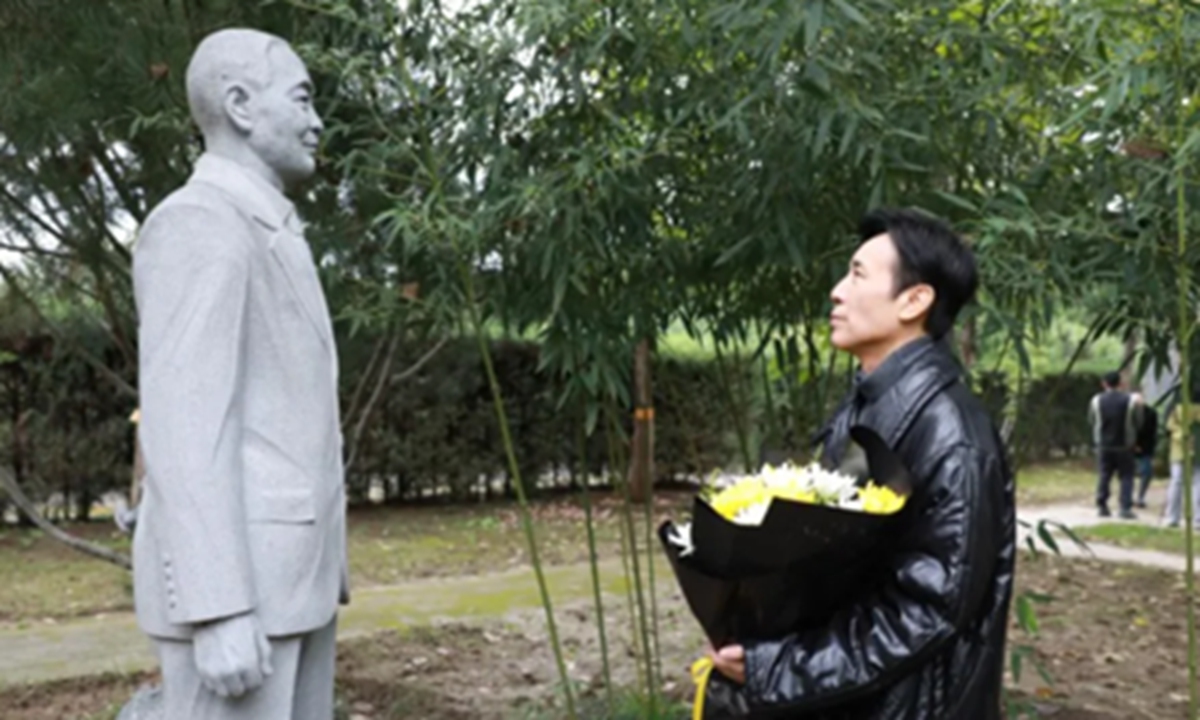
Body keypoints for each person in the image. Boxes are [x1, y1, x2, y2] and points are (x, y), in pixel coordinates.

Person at [704, 209, 1015, 719]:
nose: (836, 291)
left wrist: (780, 669)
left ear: (914, 300)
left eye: (857, 275)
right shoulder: (865, 404)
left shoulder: (952, 437)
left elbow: (928, 612)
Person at [132, 28, 348, 720]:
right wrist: (217, 607)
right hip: (242, 596)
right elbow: (186, 428)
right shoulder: (200, 224)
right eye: (302, 99)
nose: (317, 122)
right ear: (241, 106)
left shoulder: (269, 227)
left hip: (293, 581)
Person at [1087, 372, 1143, 519]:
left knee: (1104, 474)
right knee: (1126, 476)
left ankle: (1102, 505)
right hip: (1125, 445)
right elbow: (1138, 421)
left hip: (1103, 445)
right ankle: (1125, 507)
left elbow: (1091, 420)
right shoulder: (1130, 400)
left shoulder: (1096, 400)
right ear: (1120, 383)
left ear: (1104, 384)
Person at [1162, 386, 1200, 528]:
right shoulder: (1177, 403)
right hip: (1192, 446)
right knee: (1193, 481)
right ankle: (1195, 518)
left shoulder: (1175, 402)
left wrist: (1181, 434)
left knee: (1178, 481)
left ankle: (1173, 517)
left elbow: (1168, 425)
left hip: (1181, 447)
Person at [1131, 392, 1158, 509]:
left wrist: (1143, 446)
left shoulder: (1151, 413)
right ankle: (1129, 496)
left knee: (1147, 473)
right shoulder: (1128, 413)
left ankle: (1140, 497)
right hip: (1130, 448)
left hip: (1145, 448)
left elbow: (1152, 433)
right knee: (1128, 474)